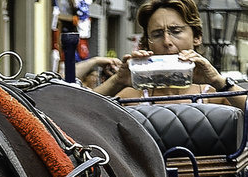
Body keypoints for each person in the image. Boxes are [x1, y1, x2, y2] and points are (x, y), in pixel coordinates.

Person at [93, 0, 246, 107]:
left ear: (197, 37)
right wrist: (117, 82)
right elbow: (77, 114)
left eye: (176, 31)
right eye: (157, 34)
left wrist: (218, 81)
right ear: (147, 42)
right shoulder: (133, 95)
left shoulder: (212, 93)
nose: (167, 41)